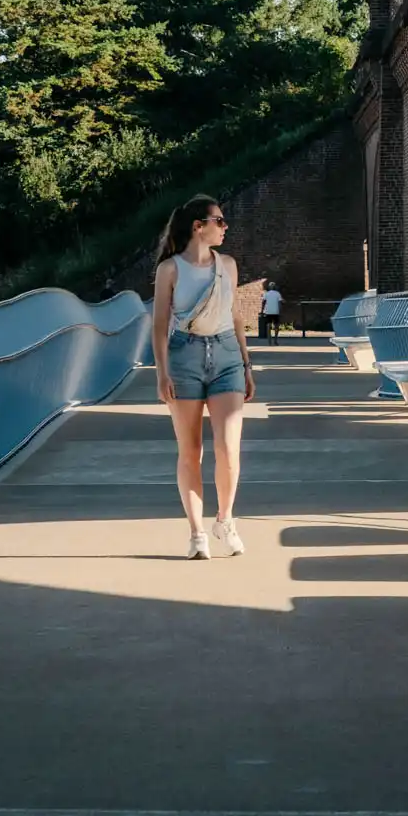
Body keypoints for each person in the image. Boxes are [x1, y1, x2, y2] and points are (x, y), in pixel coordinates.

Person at [152, 194, 255, 560]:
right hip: (185, 358)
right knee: (190, 451)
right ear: (199, 227)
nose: (225, 227)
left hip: (226, 355)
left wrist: (246, 363)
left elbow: (237, 316)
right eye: (220, 221)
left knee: (228, 449)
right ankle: (197, 533)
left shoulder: (228, 264)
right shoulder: (171, 270)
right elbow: (160, 325)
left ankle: (225, 519)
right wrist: (162, 372)